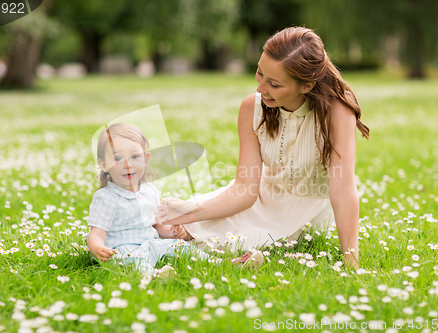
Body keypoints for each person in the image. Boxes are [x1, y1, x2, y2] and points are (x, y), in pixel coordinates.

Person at [156, 27, 370, 268]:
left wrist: (352, 263)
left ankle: (220, 259)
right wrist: (191, 211)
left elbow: (342, 192)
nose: (260, 88)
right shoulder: (252, 107)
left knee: (230, 239)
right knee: (166, 222)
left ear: (306, 86)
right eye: (260, 73)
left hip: (302, 213)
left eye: (275, 84)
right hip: (259, 197)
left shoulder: (338, 112)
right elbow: (245, 190)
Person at [87, 123, 262, 276]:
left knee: (180, 246)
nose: (128, 164)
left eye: (135, 156)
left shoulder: (149, 191)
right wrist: (97, 249)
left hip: (151, 244)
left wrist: (171, 232)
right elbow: (96, 233)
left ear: (145, 159)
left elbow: (156, 225)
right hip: (123, 250)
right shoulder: (106, 198)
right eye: (117, 158)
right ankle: (151, 276)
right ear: (103, 165)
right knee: (134, 261)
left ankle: (221, 264)